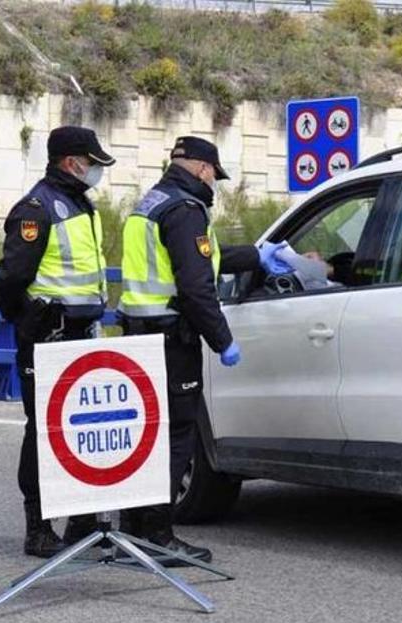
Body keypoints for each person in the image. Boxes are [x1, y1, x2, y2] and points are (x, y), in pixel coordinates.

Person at [118, 136, 291, 563]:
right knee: (177, 435)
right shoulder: (185, 210)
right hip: (172, 339)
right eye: (214, 174)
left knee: (147, 434)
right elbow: (196, 287)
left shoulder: (151, 203)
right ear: (201, 169)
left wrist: (255, 256)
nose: (215, 182)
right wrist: (224, 340)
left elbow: (202, 259)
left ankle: (132, 532)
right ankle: (159, 534)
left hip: (139, 334)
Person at [0, 126, 116, 558]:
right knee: (44, 433)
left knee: (82, 430)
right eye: (93, 162)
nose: (97, 170)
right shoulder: (36, 209)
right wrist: (30, 323)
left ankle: (82, 522)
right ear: (71, 162)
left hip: (83, 335)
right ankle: (39, 527)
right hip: (48, 338)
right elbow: (9, 281)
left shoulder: (81, 204)